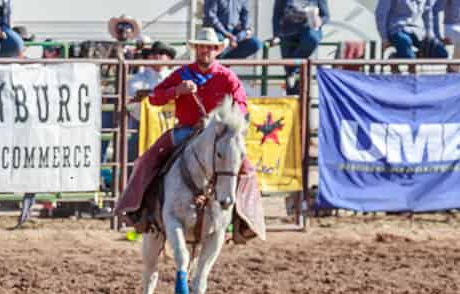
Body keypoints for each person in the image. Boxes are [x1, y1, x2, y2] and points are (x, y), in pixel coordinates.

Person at [115, 27, 248, 222]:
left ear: (217, 50)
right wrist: (177, 90)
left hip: (219, 134)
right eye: (202, 47)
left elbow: (242, 104)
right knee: (148, 159)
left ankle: (244, 217)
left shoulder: (227, 77)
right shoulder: (182, 74)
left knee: (246, 168)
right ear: (196, 49)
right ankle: (136, 209)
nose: (206, 51)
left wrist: (231, 119)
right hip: (186, 129)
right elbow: (155, 98)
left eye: (210, 47)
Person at [273, 0, 329, 94]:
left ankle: (292, 70)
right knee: (291, 77)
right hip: (288, 32)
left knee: (311, 40)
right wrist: (276, 35)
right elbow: (277, 14)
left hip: (309, 30)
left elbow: (326, 16)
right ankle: (292, 102)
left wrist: (320, 21)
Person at [375, 0, 447, 59]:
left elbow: (427, 14)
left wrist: (431, 36)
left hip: (419, 31)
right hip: (397, 29)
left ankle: (397, 58)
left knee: (440, 52)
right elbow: (381, 14)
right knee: (406, 45)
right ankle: (410, 65)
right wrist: (384, 38)